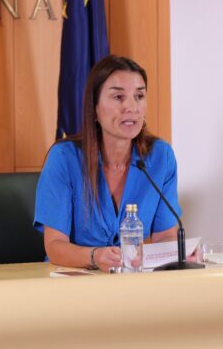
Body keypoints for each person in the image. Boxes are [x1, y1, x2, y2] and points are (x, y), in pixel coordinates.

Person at [34, 55, 181, 272]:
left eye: (139, 96)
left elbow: (165, 234)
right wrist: (94, 256)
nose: (131, 107)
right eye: (118, 97)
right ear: (94, 108)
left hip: (134, 285)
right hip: (74, 285)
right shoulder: (64, 158)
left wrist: (175, 252)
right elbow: (55, 246)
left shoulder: (160, 157)